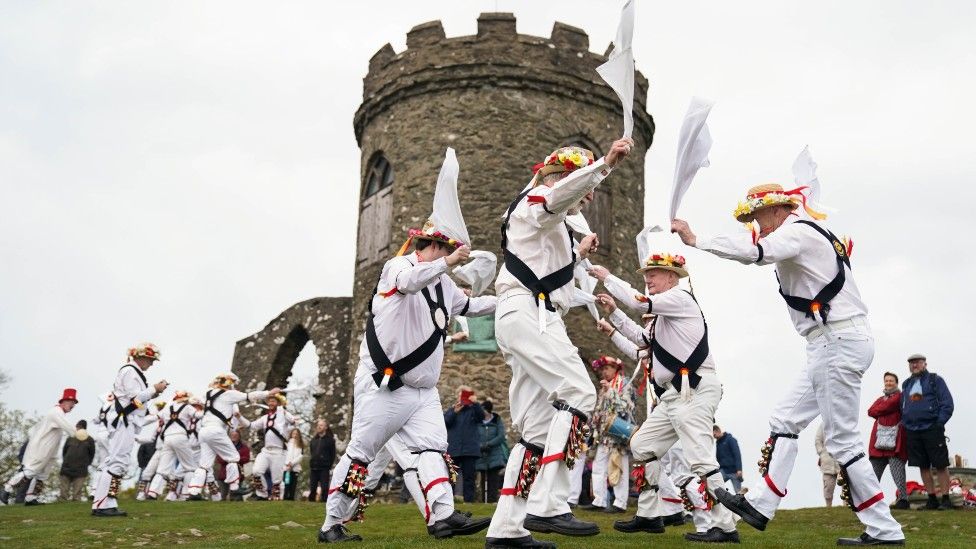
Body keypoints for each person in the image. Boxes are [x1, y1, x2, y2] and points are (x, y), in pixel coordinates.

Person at [674, 183, 905, 545]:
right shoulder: (807, 233)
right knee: (784, 420)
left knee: (843, 441)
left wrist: (697, 239)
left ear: (780, 209)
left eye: (758, 216)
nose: (756, 224)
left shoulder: (796, 232)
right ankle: (762, 505)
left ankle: (885, 530)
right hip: (830, 342)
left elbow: (756, 251)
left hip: (835, 341)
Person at [318, 157, 497, 543]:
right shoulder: (396, 268)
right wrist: (449, 262)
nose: (450, 258)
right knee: (361, 455)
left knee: (433, 446)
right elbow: (411, 282)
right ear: (431, 245)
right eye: (445, 249)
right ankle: (332, 524)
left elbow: (473, 306)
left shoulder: (443, 284)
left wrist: (518, 299)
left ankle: (442, 518)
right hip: (386, 386)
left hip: (422, 392)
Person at [488, 137, 633, 549]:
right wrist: (603, 165)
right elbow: (553, 202)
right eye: (582, 191)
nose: (586, 200)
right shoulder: (533, 202)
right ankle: (549, 503)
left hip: (530, 315)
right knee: (579, 392)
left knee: (535, 430)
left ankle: (506, 529)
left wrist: (578, 255)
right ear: (560, 179)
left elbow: (561, 284)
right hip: (530, 314)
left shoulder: (551, 229)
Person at [591, 249, 739, 544]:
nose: (648, 280)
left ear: (672, 277)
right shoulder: (662, 318)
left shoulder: (680, 299)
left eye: (653, 274)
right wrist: (614, 315)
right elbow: (641, 340)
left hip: (692, 390)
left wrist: (607, 278)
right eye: (646, 276)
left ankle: (725, 527)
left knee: (698, 457)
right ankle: (649, 515)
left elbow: (637, 301)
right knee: (642, 445)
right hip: (673, 397)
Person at [92, 343, 168, 517]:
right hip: (124, 420)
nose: (152, 364)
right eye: (151, 360)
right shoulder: (130, 371)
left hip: (126, 420)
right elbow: (135, 400)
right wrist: (153, 390)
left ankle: (104, 502)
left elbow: (134, 402)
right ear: (142, 357)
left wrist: (152, 394)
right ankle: (104, 504)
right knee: (117, 461)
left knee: (115, 461)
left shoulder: (132, 372)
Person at [188, 373, 278, 499]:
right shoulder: (229, 394)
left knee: (204, 464)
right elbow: (250, 396)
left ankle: (193, 492)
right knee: (233, 457)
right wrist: (269, 392)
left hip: (203, 431)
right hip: (216, 430)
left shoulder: (208, 393)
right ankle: (235, 487)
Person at [1, 389, 79, 505]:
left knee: (42, 475)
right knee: (30, 471)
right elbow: (70, 429)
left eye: (74, 403)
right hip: (40, 448)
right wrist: (79, 433)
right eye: (70, 402)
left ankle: (30, 497)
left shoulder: (60, 413)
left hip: (49, 450)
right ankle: (6, 489)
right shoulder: (55, 412)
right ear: (63, 401)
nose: (72, 405)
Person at [581, 356, 635, 514]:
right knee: (598, 467)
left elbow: (626, 407)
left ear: (615, 369)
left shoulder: (625, 384)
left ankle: (620, 503)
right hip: (604, 435)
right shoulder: (605, 386)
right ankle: (599, 500)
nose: (604, 372)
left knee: (620, 467)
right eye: (603, 369)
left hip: (619, 433)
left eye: (607, 368)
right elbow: (599, 410)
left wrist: (610, 391)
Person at [900, 353, 954, 510]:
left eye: (917, 362)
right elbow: (903, 406)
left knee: (941, 464)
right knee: (922, 465)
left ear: (925, 363)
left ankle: (945, 499)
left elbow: (947, 403)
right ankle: (931, 499)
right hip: (913, 431)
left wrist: (939, 423)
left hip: (932, 428)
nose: (914, 365)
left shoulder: (935, 380)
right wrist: (905, 422)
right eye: (911, 363)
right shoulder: (906, 384)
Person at [235, 392, 295, 500]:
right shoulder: (265, 418)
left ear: (278, 403)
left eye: (273, 401)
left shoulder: (283, 415)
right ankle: (262, 494)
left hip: (279, 451)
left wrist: (283, 411)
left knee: (277, 479)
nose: (270, 403)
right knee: (256, 471)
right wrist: (239, 417)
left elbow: (292, 421)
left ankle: (277, 499)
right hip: (266, 451)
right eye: (269, 401)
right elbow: (251, 426)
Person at [146, 391, 199, 500]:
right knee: (190, 467)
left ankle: (152, 492)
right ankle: (187, 493)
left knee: (162, 468)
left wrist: (138, 421)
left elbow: (153, 418)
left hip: (167, 439)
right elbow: (198, 415)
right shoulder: (187, 407)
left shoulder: (166, 408)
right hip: (181, 437)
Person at [868, 372, 909, 510]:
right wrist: (882, 409)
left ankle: (903, 499)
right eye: (886, 380)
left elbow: (889, 405)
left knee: (897, 472)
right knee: (873, 473)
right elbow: (870, 411)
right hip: (878, 443)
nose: (888, 383)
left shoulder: (901, 397)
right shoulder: (881, 399)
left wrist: (881, 410)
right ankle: (871, 500)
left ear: (896, 382)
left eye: (891, 380)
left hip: (895, 440)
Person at [444, 386, 485, 504]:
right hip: (454, 449)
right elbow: (445, 422)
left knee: (469, 477)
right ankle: (448, 502)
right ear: (457, 396)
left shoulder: (474, 410)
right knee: (451, 477)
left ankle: (469, 501)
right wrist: (453, 412)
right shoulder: (452, 410)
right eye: (461, 395)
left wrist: (476, 403)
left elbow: (481, 418)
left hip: (470, 450)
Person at [476, 401, 507, 504]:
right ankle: (483, 500)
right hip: (482, 453)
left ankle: (492, 500)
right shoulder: (478, 421)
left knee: (493, 478)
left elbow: (501, 436)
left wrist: (489, 444)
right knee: (483, 478)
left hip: (494, 454)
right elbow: (474, 435)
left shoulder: (497, 420)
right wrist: (480, 446)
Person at [60, 420, 96, 502]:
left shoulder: (90, 440)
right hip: (66, 468)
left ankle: (75, 506)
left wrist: (86, 464)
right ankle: (61, 504)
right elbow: (64, 452)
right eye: (77, 427)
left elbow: (92, 454)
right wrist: (66, 462)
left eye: (79, 427)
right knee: (63, 494)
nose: (77, 428)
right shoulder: (70, 438)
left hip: (81, 470)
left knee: (77, 495)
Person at [215, 429, 250, 501]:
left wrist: (235, 459)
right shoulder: (224, 446)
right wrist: (230, 459)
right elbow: (219, 458)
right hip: (224, 474)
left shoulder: (244, 447)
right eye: (232, 435)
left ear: (239, 436)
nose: (234, 437)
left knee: (236, 494)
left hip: (238, 473)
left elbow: (246, 458)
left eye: (236, 435)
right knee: (224, 494)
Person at [308, 419, 336, 502]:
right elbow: (311, 452)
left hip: (324, 468)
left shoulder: (330, 440)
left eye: (321, 425)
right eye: (318, 425)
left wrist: (328, 465)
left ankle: (324, 504)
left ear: (326, 427)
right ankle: (310, 504)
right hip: (314, 467)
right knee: (312, 488)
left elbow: (332, 455)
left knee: (324, 488)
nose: (319, 427)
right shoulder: (313, 440)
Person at [815, 423, 840, 507]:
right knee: (828, 487)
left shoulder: (843, 422)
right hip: (827, 462)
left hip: (842, 461)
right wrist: (821, 452)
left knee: (846, 486)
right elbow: (818, 440)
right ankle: (828, 507)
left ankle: (846, 506)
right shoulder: (823, 425)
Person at [713, 425, 742, 493]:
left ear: (718, 431)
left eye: (714, 435)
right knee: (715, 485)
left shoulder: (730, 439)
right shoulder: (718, 443)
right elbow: (718, 457)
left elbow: (737, 455)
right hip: (723, 471)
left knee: (738, 493)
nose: (714, 437)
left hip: (734, 471)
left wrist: (739, 469)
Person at [284, 428, 304, 500]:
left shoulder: (300, 445)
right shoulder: (287, 443)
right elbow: (285, 454)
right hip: (286, 468)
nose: (295, 435)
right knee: (286, 483)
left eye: (296, 434)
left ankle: (291, 498)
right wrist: (287, 464)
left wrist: (292, 463)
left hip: (295, 468)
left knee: (293, 484)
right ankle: (285, 497)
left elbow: (300, 456)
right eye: (293, 433)